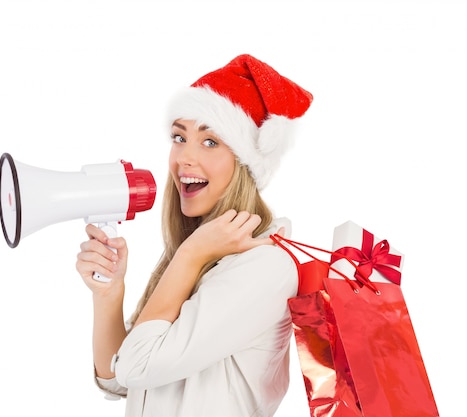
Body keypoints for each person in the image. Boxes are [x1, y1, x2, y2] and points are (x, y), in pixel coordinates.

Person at [75, 53, 313, 417]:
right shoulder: (204, 254)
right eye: (179, 137)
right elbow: (117, 377)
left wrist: (190, 255)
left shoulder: (265, 266)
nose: (184, 158)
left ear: (245, 163)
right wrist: (110, 294)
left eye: (210, 142)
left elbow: (135, 366)